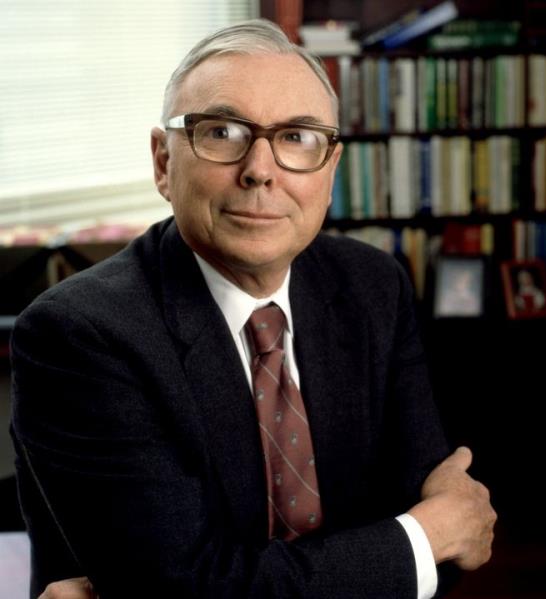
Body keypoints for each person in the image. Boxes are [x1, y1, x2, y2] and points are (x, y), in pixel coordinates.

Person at [10, 19, 495, 599]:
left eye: (297, 138)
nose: (261, 169)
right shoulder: (79, 334)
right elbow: (181, 589)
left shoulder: (372, 286)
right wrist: (420, 539)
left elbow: (452, 528)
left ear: (331, 171)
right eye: (222, 131)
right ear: (164, 163)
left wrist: (423, 539)